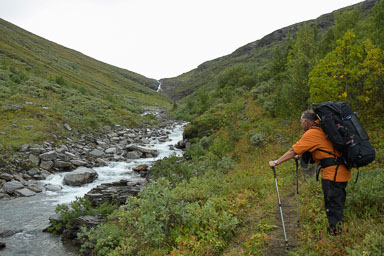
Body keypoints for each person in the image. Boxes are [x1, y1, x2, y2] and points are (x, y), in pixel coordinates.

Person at [268, 110, 352, 235]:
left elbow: (293, 151)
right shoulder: (322, 130)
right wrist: (300, 156)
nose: (301, 124)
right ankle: (337, 230)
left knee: (333, 205)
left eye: (301, 122)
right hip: (341, 172)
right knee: (337, 204)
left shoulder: (313, 133)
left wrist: (276, 162)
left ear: (306, 122)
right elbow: (323, 150)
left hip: (332, 174)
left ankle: (336, 235)